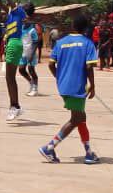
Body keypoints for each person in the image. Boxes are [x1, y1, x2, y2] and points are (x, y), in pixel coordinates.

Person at [39, 13, 99, 164]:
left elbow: (51, 64)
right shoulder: (87, 43)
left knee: (81, 118)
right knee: (76, 119)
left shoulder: (61, 42)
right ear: (86, 28)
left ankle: (88, 151)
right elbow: (89, 66)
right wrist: (92, 85)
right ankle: (49, 147)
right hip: (77, 86)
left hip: (64, 85)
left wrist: (59, 77)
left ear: (72, 26)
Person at [19, 16, 40, 96]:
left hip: (31, 53)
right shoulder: (21, 28)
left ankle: (35, 89)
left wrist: (31, 54)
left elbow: (35, 42)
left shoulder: (32, 30)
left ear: (30, 20)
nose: (24, 20)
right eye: (23, 18)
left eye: (26, 19)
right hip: (22, 53)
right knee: (21, 70)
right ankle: (31, 83)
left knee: (31, 70)